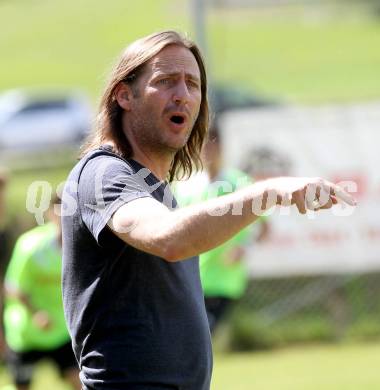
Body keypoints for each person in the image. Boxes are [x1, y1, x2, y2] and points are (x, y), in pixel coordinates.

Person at [61, 30, 355, 390]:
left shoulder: (157, 191)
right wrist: (268, 191)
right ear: (124, 95)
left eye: (192, 84)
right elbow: (170, 238)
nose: (183, 95)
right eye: (165, 81)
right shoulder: (103, 173)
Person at [176, 125, 269, 333]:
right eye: (202, 145)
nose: (207, 151)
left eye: (212, 145)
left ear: (222, 148)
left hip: (224, 278)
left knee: (202, 335)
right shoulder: (185, 185)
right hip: (191, 277)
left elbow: (264, 227)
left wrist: (245, 247)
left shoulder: (239, 183)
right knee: (190, 340)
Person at [3, 196, 81, 390]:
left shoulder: (83, 245)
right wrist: (36, 313)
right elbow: (13, 287)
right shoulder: (30, 246)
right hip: (27, 334)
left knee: (80, 382)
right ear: (50, 213)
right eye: (60, 209)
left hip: (62, 331)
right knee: (22, 385)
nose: (66, 215)